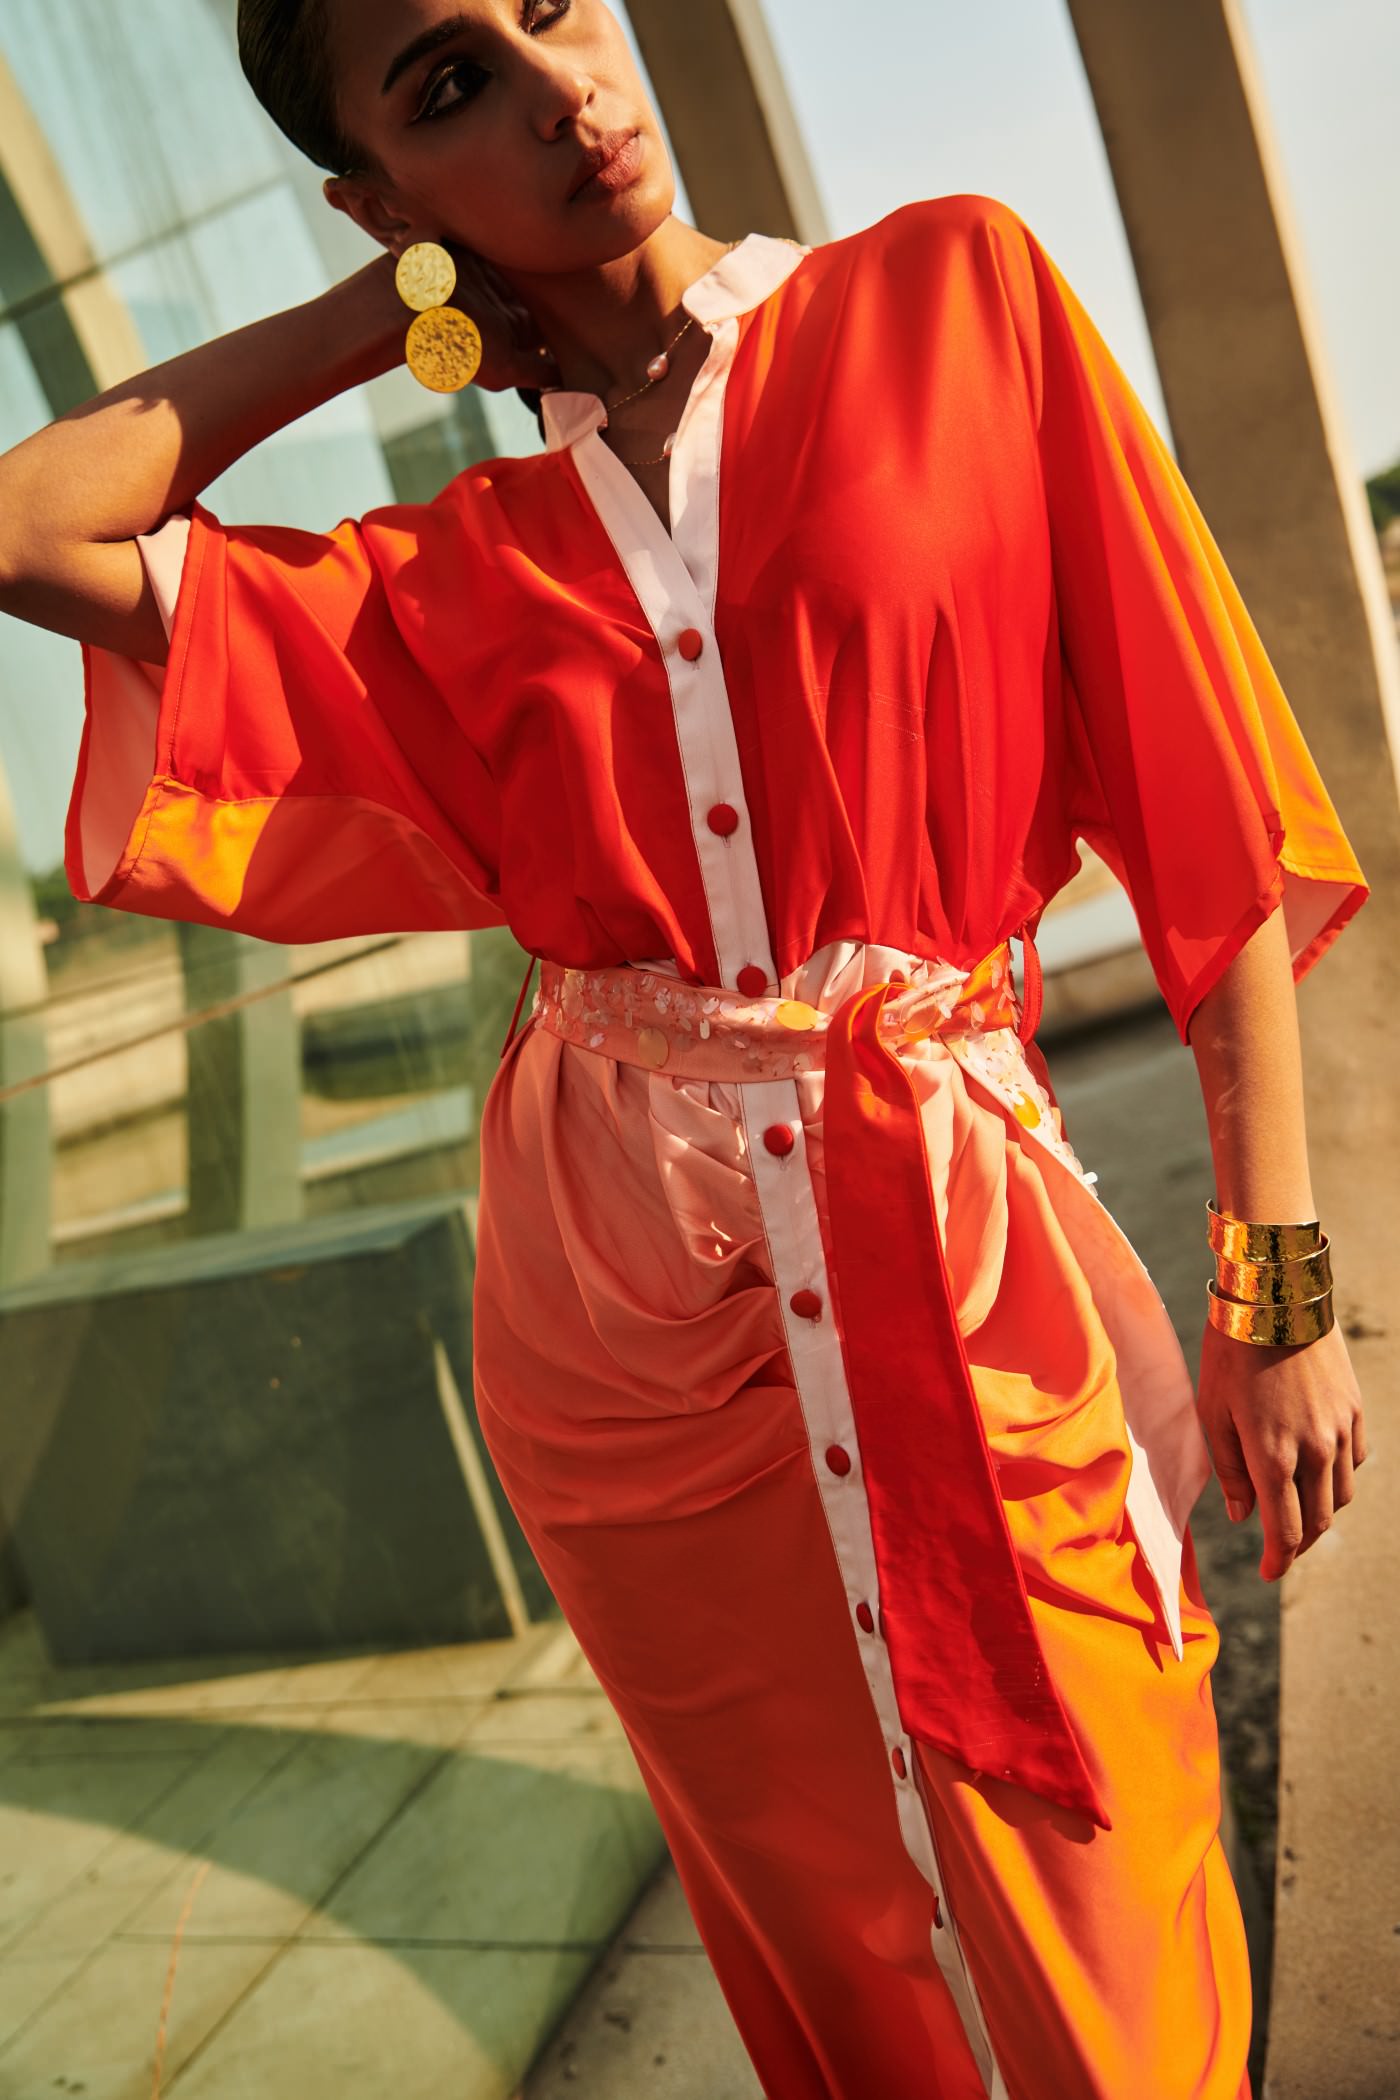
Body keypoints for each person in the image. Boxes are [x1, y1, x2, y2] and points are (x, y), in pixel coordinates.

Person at [0, 3, 1370, 2094]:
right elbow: (32, 528)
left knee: (1115, 1887)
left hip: (965, 1273)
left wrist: (1277, 1290)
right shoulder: (446, 581)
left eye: (554, 6)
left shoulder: (956, 301)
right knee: (833, 1939)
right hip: (635, 1378)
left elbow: (1212, 826)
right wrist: (390, 320)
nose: (557, 87)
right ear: (380, 196)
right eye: (449, 85)